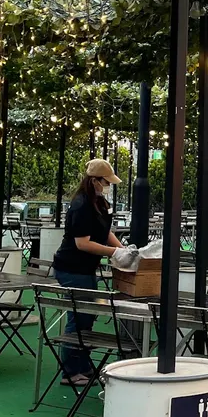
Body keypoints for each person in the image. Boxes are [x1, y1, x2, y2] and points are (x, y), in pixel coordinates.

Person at [52, 159, 124, 385]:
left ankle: (82, 365)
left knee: (86, 315)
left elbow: (104, 232)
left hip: (84, 268)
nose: (108, 186)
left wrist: (124, 251)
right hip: (73, 267)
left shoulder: (98, 203)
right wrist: (114, 253)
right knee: (79, 316)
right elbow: (82, 243)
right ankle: (72, 372)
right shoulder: (82, 204)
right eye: (106, 182)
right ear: (95, 181)